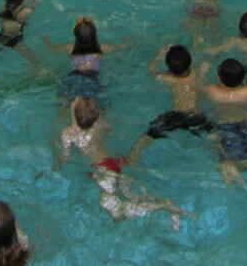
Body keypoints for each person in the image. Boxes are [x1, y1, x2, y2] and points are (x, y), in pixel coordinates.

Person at [57, 96, 185, 230]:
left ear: (73, 112)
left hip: (102, 169)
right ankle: (166, 203)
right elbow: (111, 131)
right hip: (117, 161)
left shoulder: (68, 133)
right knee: (133, 195)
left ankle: (161, 208)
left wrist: (58, 165)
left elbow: (66, 156)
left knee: (117, 214)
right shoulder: (100, 123)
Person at [128, 44, 213, 162]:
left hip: (176, 116)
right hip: (195, 116)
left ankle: (132, 158)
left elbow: (151, 71)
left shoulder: (168, 79)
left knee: (146, 138)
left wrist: (158, 55)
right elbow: (204, 69)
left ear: (166, 65)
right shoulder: (196, 75)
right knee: (214, 136)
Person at [44, 17, 122, 100]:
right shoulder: (103, 48)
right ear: (95, 34)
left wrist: (46, 40)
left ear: (75, 35)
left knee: (64, 99)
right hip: (92, 78)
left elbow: (51, 48)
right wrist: (128, 41)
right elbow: (122, 47)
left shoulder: (69, 47)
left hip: (73, 77)